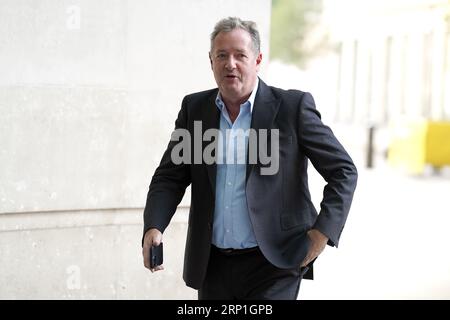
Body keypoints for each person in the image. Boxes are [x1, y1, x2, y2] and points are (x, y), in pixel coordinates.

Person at [142, 17, 357, 300]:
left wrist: (321, 234)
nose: (230, 63)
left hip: (274, 263)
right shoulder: (195, 110)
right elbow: (170, 177)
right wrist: (154, 226)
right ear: (211, 61)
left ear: (257, 60)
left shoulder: (292, 109)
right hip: (212, 264)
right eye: (222, 55)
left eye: (240, 55)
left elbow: (343, 170)